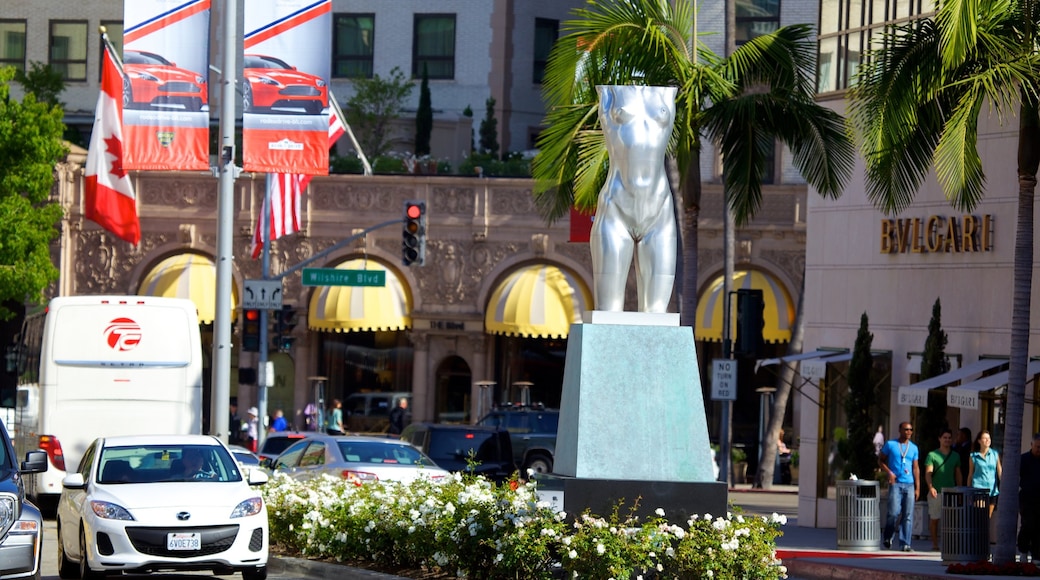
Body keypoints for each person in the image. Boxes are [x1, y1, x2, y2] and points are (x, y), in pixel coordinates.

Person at [879, 421, 920, 551]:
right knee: (893, 513)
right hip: (895, 483)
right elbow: (880, 460)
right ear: (900, 430)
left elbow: (916, 468)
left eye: (911, 430)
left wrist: (918, 487)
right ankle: (888, 537)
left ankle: (905, 543)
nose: (909, 432)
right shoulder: (891, 445)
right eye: (906, 429)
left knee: (907, 515)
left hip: (909, 484)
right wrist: (889, 473)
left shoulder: (913, 448)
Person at [924, 428, 962, 551]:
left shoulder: (955, 456)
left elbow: (958, 474)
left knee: (951, 520)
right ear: (939, 439)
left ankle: (949, 544)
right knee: (935, 519)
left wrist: (959, 488)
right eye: (945, 437)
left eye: (949, 438)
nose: (947, 440)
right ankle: (935, 544)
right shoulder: (932, 455)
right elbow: (928, 473)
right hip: (936, 491)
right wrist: (931, 487)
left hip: (951, 491)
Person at [967, 429, 1002, 520]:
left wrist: (1003, 486)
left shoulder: (995, 454)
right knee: (980, 515)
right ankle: (978, 534)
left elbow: (999, 471)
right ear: (979, 441)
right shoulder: (973, 456)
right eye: (985, 438)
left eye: (989, 438)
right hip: (978, 489)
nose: (988, 440)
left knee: (987, 517)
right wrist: (968, 490)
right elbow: (970, 474)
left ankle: (985, 534)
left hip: (992, 490)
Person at [1019, 433, 1040, 560]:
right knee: (1027, 524)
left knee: (1038, 526)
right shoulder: (1024, 459)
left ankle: (1037, 555)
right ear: (1031, 445)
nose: (1039, 450)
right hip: (1027, 497)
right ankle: (1023, 551)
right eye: (1037, 446)